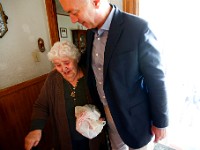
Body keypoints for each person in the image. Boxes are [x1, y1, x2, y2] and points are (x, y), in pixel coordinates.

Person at [59, 0, 169, 150]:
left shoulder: (138, 28)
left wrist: (161, 121)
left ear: (96, 2)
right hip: (107, 111)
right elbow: (92, 61)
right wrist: (67, 63)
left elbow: (156, 79)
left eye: (75, 12)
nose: (73, 19)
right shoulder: (91, 32)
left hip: (135, 116)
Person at [24, 41, 108, 150]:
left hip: (93, 137)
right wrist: (36, 129)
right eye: (58, 65)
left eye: (66, 62)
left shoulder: (91, 76)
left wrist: (103, 117)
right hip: (66, 140)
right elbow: (41, 106)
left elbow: (105, 101)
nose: (63, 68)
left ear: (76, 59)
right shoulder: (52, 79)